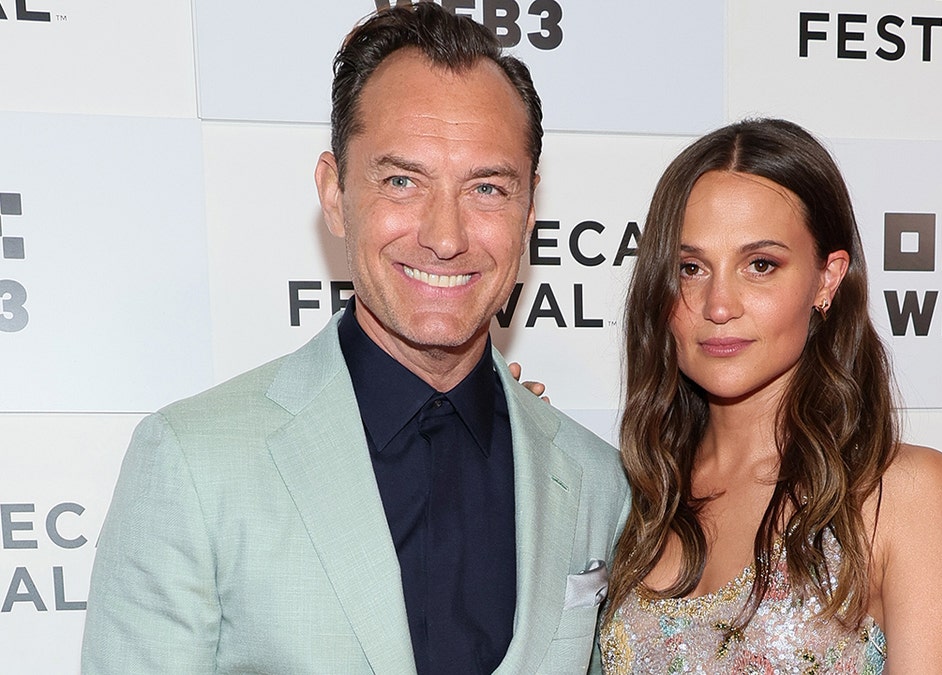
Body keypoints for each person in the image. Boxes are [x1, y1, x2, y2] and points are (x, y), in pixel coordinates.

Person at [81, 4, 627, 674]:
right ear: (335, 192)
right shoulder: (193, 466)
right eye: (402, 180)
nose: (446, 235)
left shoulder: (599, 481)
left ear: (529, 210)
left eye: (487, 188)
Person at [597, 119, 942, 673]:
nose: (718, 305)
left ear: (827, 278)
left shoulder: (904, 493)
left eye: (760, 265)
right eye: (690, 269)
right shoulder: (637, 491)